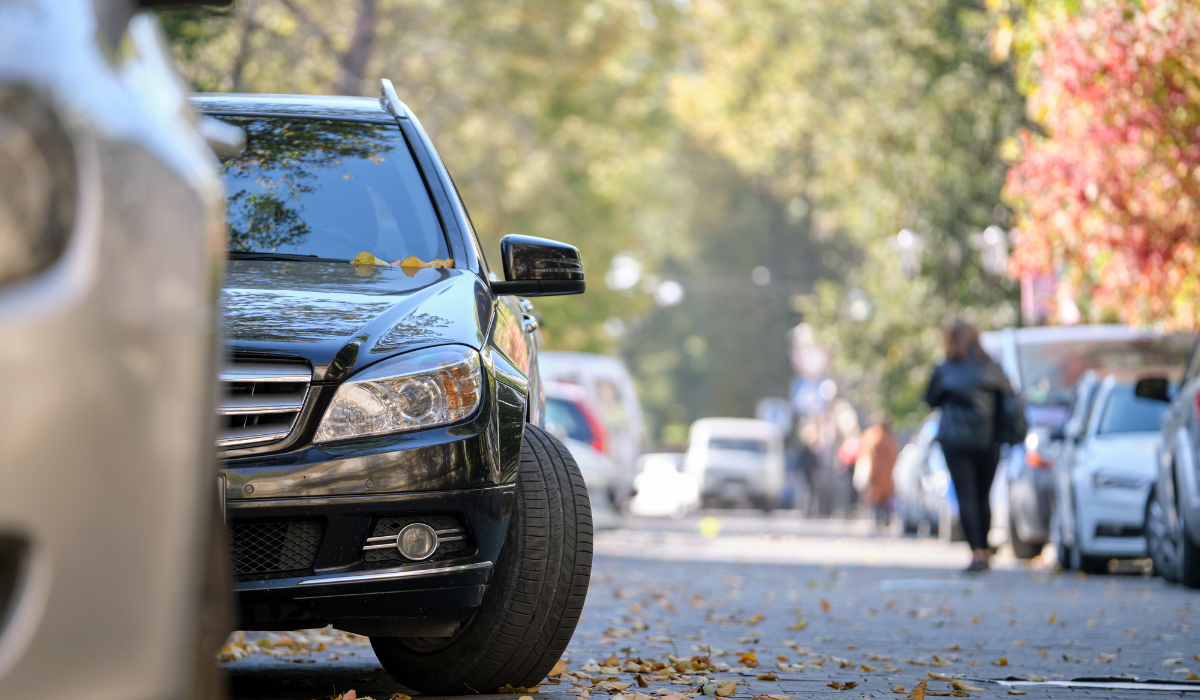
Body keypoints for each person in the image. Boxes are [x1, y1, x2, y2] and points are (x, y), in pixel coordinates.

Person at [924, 321, 1015, 572]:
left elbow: (930, 399)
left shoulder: (946, 369)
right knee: (983, 496)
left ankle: (977, 553)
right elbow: (1009, 400)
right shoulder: (993, 368)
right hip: (989, 442)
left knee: (966, 496)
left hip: (956, 442)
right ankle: (984, 549)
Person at [856, 417, 899, 526]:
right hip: (886, 474)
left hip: (880, 474)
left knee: (877, 497)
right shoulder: (888, 438)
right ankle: (882, 518)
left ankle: (879, 518)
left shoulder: (875, 436)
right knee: (882, 498)